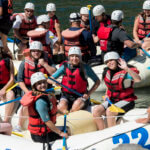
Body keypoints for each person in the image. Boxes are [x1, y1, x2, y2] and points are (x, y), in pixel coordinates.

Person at [92, 51, 141, 130]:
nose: (109, 63)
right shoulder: (107, 71)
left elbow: (138, 79)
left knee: (109, 111)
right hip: (113, 100)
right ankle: (102, 132)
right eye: (107, 62)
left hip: (127, 101)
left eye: (111, 60)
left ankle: (112, 134)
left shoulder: (126, 71)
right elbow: (109, 85)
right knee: (96, 110)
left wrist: (126, 68)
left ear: (117, 60)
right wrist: (106, 94)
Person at [15, 41, 56, 131]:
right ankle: (19, 125)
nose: (36, 53)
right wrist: (28, 92)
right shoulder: (24, 63)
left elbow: (54, 73)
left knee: (51, 102)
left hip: (45, 88)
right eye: (33, 51)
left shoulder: (47, 60)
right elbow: (20, 80)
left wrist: (45, 64)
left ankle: (51, 122)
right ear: (30, 52)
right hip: (29, 88)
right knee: (26, 104)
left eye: (38, 51)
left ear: (41, 51)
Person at [20, 72, 68, 148]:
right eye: (39, 83)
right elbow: (47, 121)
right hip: (41, 135)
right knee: (67, 133)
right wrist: (60, 133)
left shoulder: (44, 94)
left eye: (44, 82)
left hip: (45, 131)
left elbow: (51, 108)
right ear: (34, 86)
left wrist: (61, 112)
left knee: (67, 128)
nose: (42, 85)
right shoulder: (40, 101)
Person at [48, 46, 100, 114]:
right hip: (66, 95)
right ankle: (61, 119)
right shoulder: (64, 67)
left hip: (80, 96)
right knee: (61, 106)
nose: (74, 58)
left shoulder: (85, 68)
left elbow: (97, 81)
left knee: (77, 104)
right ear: (69, 57)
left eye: (77, 56)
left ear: (80, 57)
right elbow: (49, 79)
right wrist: (55, 83)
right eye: (72, 56)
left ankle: (71, 116)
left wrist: (88, 94)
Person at [0, 40, 18, 123]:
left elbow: (12, 79)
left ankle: (6, 121)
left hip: (8, 86)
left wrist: (4, 89)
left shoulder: (8, 61)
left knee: (11, 94)